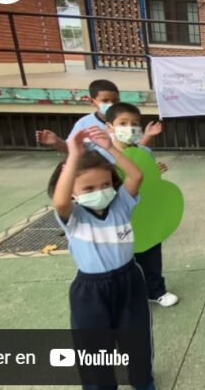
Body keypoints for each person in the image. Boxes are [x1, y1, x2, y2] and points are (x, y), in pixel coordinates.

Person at [35, 81, 178, 308]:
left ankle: (155, 290)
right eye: (123, 123)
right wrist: (62, 146)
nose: (130, 128)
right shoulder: (99, 153)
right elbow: (81, 166)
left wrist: (154, 171)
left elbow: (141, 175)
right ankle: (129, 295)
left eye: (134, 124)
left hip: (141, 212)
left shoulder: (143, 151)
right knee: (121, 255)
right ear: (109, 126)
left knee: (150, 253)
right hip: (113, 217)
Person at [48, 128, 155, 390]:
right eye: (89, 188)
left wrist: (110, 147)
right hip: (91, 291)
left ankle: (143, 381)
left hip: (129, 280)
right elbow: (60, 201)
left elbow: (136, 175)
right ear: (73, 191)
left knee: (137, 338)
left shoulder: (121, 204)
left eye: (106, 184)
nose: (100, 191)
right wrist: (73, 156)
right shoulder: (74, 217)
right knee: (94, 346)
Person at [35, 80, 162, 154]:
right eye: (105, 100)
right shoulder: (84, 124)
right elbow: (72, 149)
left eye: (115, 100)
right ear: (92, 101)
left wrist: (147, 136)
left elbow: (136, 149)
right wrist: (56, 142)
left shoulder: (128, 122)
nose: (111, 104)